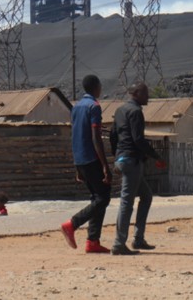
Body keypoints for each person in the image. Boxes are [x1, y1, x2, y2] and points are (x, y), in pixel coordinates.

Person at [111, 82, 166, 256]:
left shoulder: (120, 111)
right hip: (131, 161)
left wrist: (117, 157)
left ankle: (138, 239)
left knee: (146, 196)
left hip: (122, 159)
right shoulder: (135, 112)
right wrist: (156, 156)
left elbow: (113, 136)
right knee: (126, 203)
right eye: (145, 93)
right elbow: (138, 140)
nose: (148, 96)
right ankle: (119, 244)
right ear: (136, 94)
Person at [61, 74, 113, 254]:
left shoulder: (76, 107)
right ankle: (73, 224)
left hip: (81, 158)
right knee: (103, 197)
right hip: (92, 158)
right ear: (96, 87)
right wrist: (105, 165)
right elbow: (95, 137)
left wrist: (77, 165)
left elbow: (74, 136)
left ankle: (93, 241)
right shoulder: (94, 106)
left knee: (96, 198)